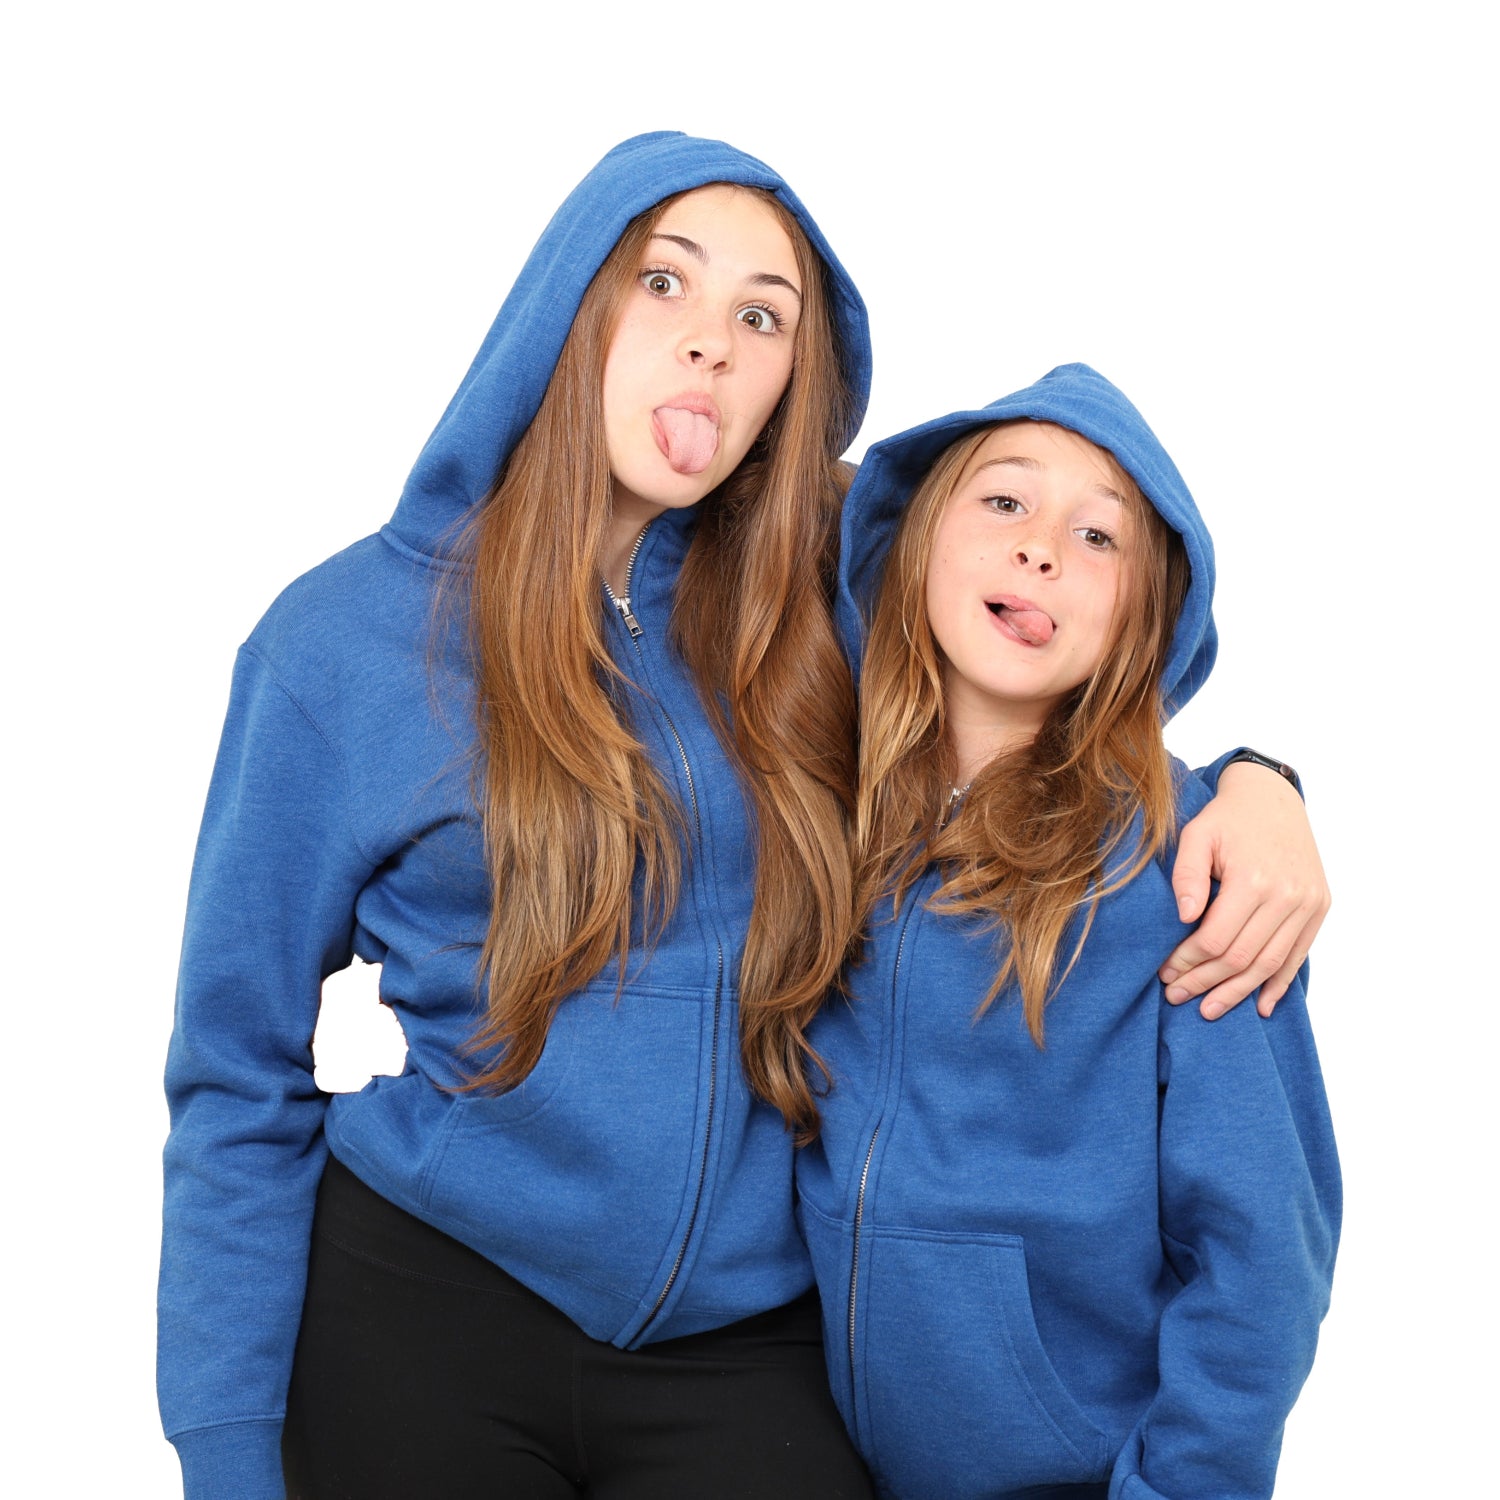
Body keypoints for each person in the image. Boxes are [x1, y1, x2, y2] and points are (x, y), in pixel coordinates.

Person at [158, 129, 1327, 1499]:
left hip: (752, 1345)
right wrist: (226, 1448)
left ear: (793, 382)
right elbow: (234, 1072)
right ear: (567, 304)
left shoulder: (823, 597)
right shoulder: (338, 648)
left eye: (761, 316)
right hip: (430, 1284)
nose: (710, 343)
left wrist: (1261, 786)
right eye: (666, 284)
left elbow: (1050, 648)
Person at [797, 363, 1341, 1499]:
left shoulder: (1189, 866)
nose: (1042, 547)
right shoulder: (818, 802)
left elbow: (1260, 1263)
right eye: (1003, 502)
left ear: (1142, 619)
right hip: (809, 1453)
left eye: (1101, 538)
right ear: (917, 543)